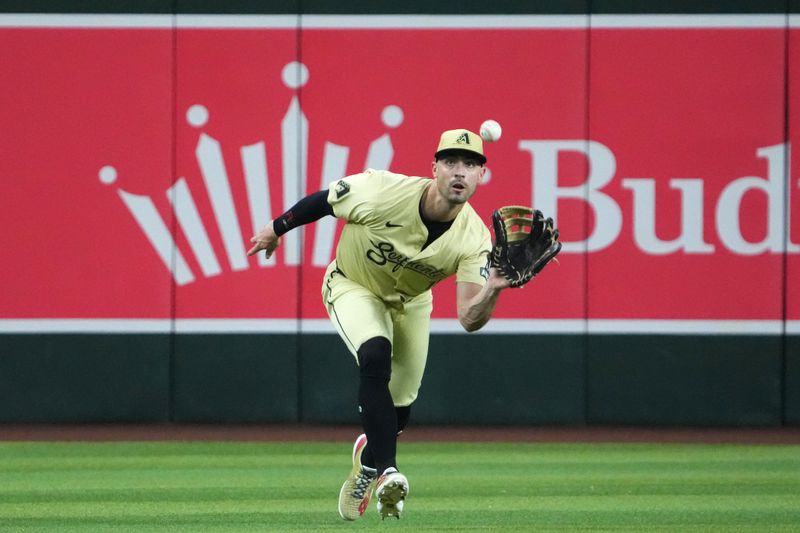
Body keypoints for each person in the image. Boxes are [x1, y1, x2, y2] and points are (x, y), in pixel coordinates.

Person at [248, 128, 513, 520]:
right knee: (375, 355)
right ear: (434, 168)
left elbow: (468, 318)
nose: (460, 172)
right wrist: (276, 228)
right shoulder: (383, 190)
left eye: (471, 165)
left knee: (400, 409)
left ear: (481, 177)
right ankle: (388, 470)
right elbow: (324, 201)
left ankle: (368, 463)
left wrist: (493, 288)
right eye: (452, 162)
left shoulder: (475, 239)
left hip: (411, 303)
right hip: (353, 285)